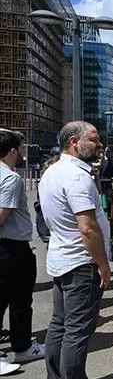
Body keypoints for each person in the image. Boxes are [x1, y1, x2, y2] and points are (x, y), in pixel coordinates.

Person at [39, 121, 110, 379]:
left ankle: (56, 378)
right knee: (77, 332)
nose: (99, 144)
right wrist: (102, 264)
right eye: (93, 139)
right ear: (74, 142)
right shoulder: (77, 176)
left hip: (63, 258)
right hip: (81, 263)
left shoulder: (53, 171)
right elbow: (88, 228)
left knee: (60, 325)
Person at [0, 129, 44, 366]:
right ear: (13, 150)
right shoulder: (10, 178)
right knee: (20, 300)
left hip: (8, 248)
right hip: (12, 248)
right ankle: (23, 346)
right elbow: (2, 214)